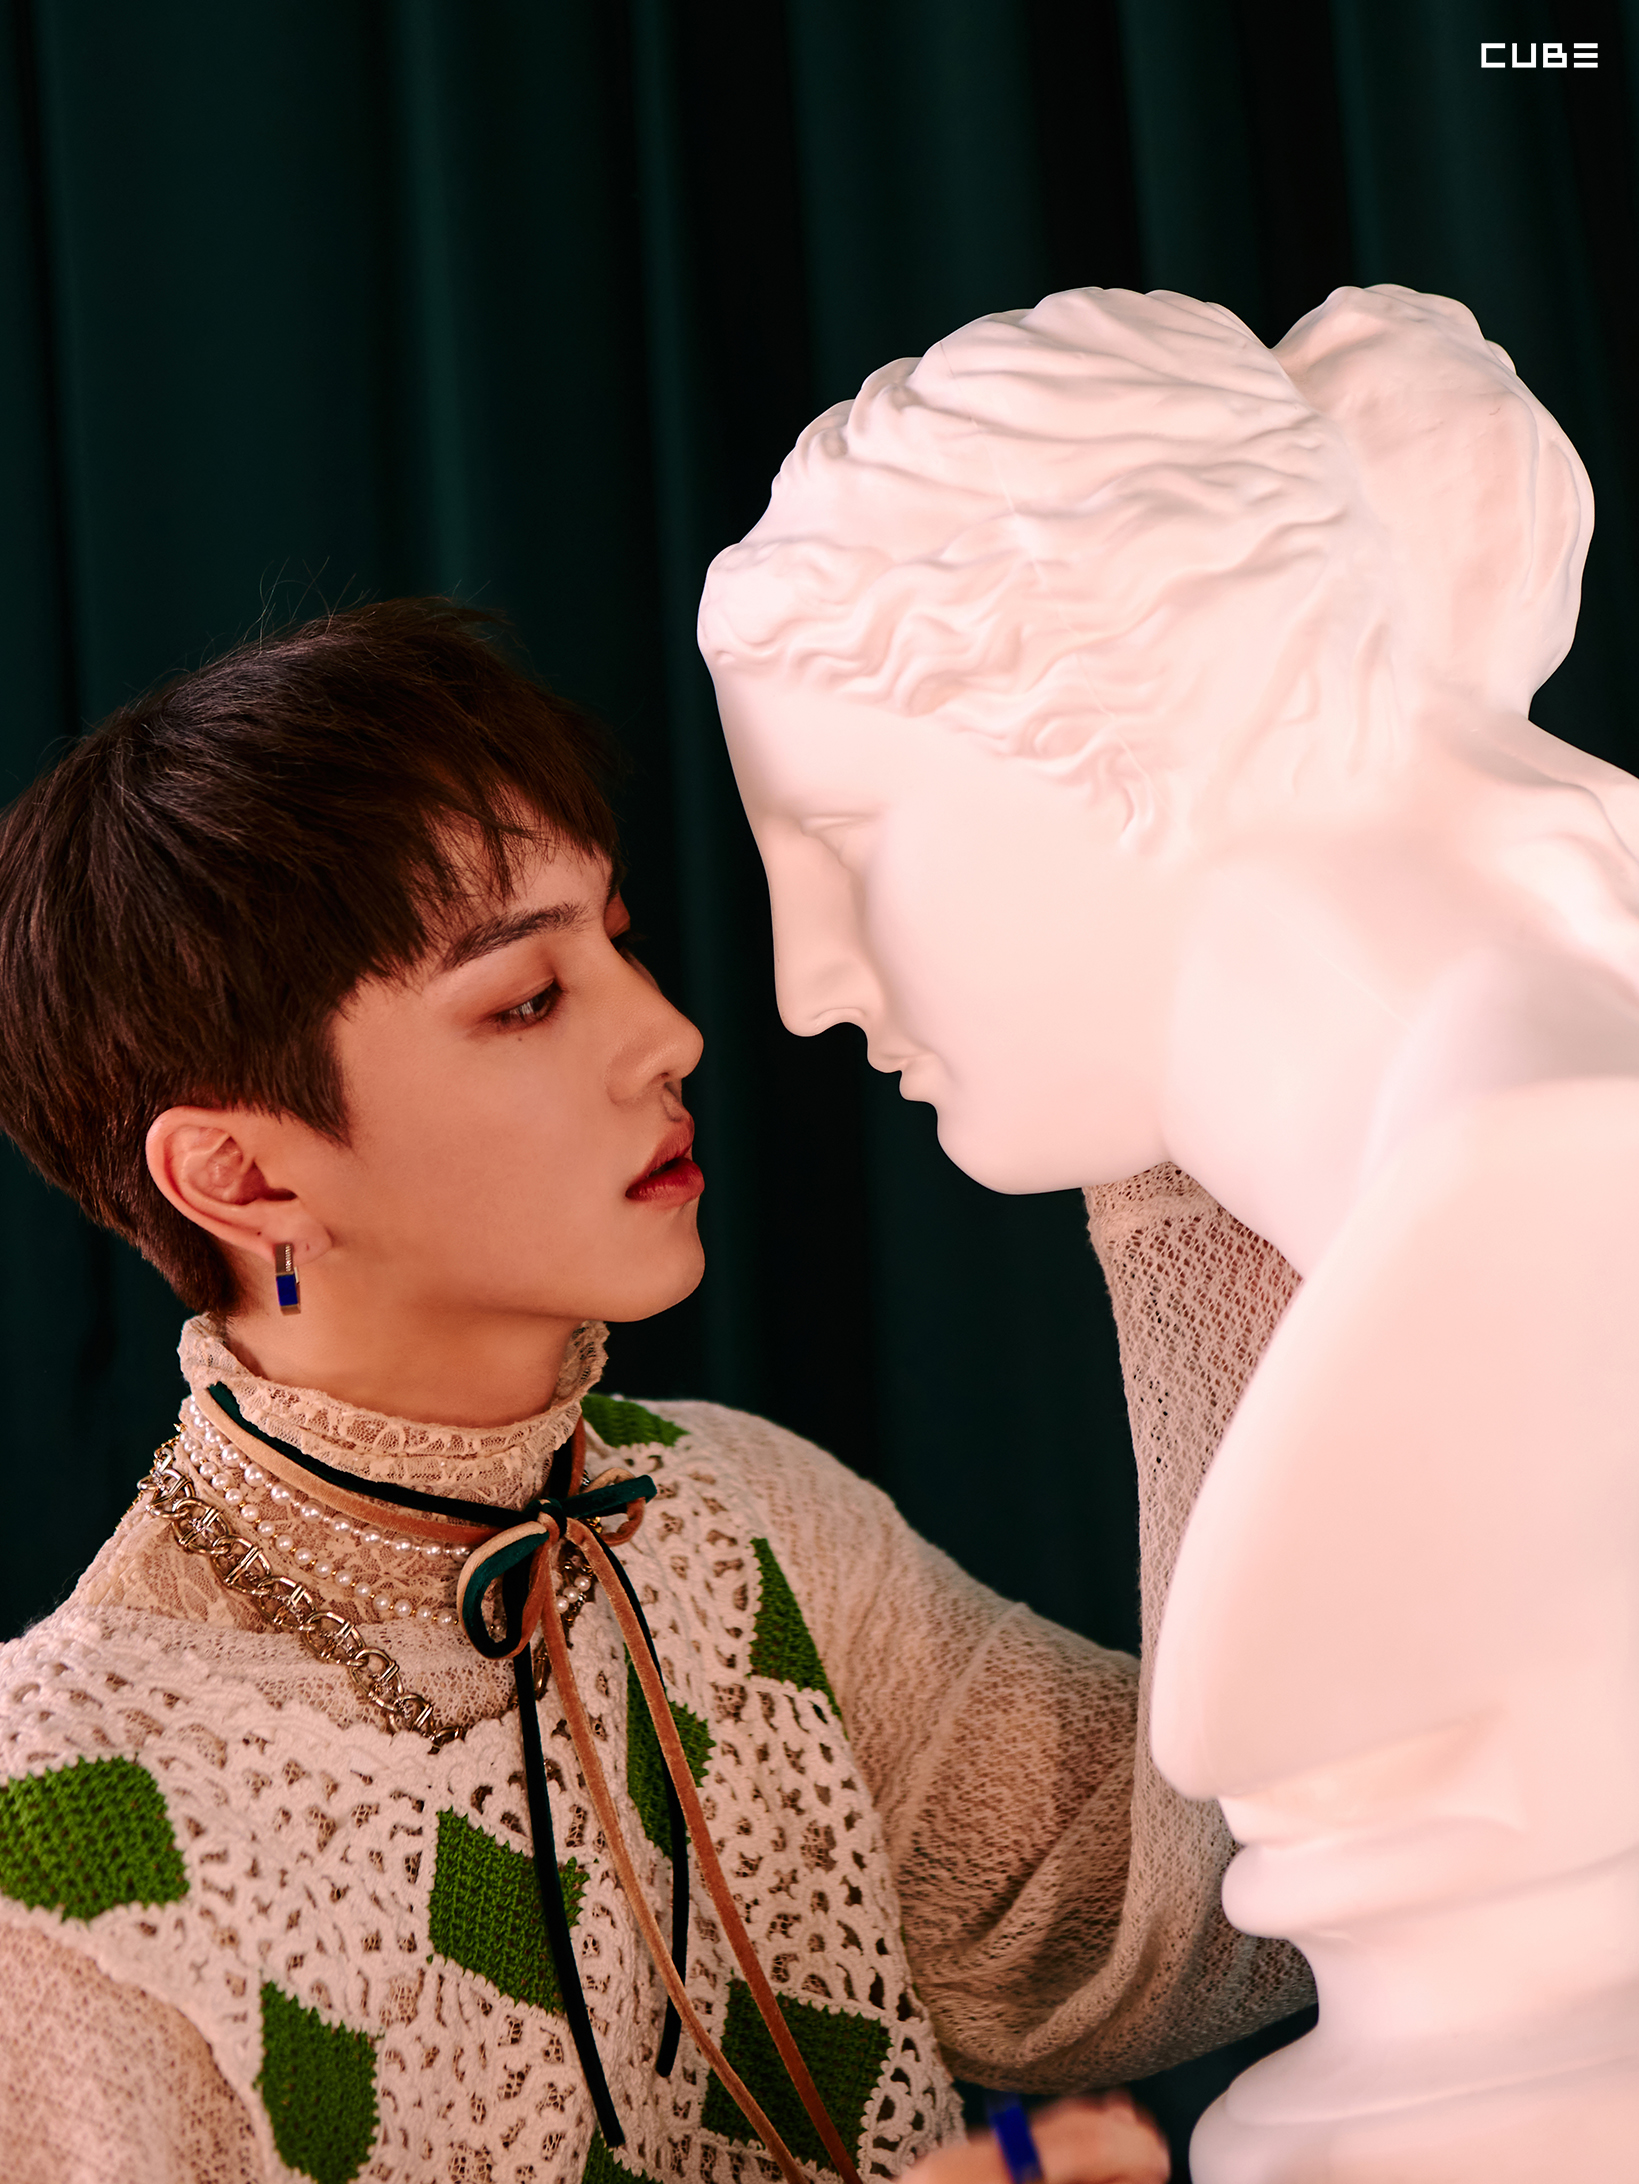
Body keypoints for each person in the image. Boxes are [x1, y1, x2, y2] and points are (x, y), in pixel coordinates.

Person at [0, 601, 1307, 2184]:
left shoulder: (740, 1525)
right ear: (243, 1177)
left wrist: (1212, 1121)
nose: (670, 1033)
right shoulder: (59, 1832)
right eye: (524, 999)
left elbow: (1223, 1879)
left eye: (615, 941)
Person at [699, 283, 1639, 2178]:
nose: (807, 985)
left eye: (848, 839)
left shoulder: (1548, 1184)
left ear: (1130, 732)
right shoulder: (1483, 1162)